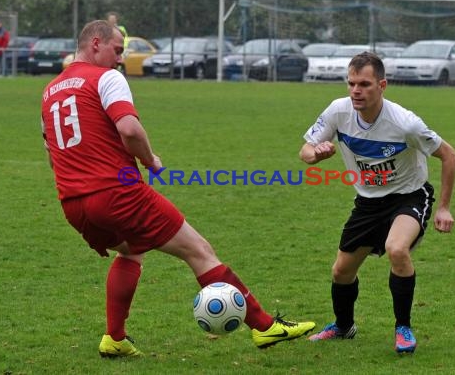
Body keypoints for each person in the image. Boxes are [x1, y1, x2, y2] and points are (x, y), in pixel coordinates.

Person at [40, 20, 315, 358]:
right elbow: (129, 129)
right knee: (199, 250)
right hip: (117, 193)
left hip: (73, 204)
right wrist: (150, 160)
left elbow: (52, 154)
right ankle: (264, 327)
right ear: (95, 43)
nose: (120, 59)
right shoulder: (107, 78)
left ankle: (114, 338)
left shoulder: (51, 89)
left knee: (131, 251)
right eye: (117, 50)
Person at [300, 52, 455, 353]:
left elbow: (449, 155)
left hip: (409, 196)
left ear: (382, 85)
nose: (356, 91)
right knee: (341, 272)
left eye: (364, 84)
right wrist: (315, 154)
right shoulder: (338, 112)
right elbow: (305, 151)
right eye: (351, 83)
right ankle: (344, 326)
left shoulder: (405, 124)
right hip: (368, 202)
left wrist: (445, 207)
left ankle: (403, 328)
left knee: (396, 249)